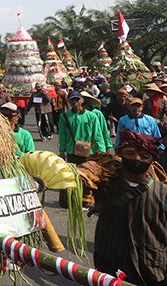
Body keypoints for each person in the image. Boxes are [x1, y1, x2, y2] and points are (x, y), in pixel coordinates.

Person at [92, 129, 167, 285]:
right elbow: (73, 192)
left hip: (151, 269)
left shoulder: (163, 193)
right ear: (120, 153)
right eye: (130, 153)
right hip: (110, 261)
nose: (137, 159)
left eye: (144, 156)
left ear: (153, 160)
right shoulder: (105, 183)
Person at [58, 91, 109, 165]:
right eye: (72, 100)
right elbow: (62, 135)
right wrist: (62, 152)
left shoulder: (92, 116)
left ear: (82, 100)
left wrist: (102, 150)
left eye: (77, 99)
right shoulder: (64, 116)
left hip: (88, 151)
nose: (75, 102)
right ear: (69, 101)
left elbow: (98, 135)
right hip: (71, 151)